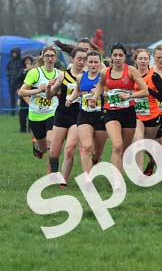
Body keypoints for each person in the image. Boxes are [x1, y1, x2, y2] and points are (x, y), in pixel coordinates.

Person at [96, 43, 148, 174]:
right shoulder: (105, 72)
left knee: (124, 149)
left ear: (125, 57)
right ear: (111, 56)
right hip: (111, 112)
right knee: (117, 146)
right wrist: (95, 97)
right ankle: (116, 181)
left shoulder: (131, 71)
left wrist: (129, 95)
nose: (117, 58)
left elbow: (145, 91)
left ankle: (120, 167)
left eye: (120, 55)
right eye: (115, 55)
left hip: (128, 112)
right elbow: (100, 86)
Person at [48, 48, 86, 186]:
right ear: (72, 59)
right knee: (53, 152)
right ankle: (53, 174)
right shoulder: (62, 75)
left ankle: (62, 182)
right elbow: (50, 95)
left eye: (84, 59)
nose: (82, 62)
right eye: (79, 59)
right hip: (62, 115)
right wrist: (48, 88)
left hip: (78, 117)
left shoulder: (87, 77)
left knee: (69, 149)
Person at [18, 46, 61, 167]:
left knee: (51, 143)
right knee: (43, 148)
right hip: (36, 115)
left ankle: (53, 174)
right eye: (47, 55)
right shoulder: (35, 73)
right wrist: (37, 90)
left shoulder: (59, 74)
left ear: (55, 58)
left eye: (52, 56)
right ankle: (38, 149)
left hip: (52, 112)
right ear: (43, 57)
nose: (50, 58)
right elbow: (21, 92)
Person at [69, 51, 107, 176]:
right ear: (86, 63)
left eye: (96, 62)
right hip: (84, 114)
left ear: (100, 63)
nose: (93, 64)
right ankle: (88, 179)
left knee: (97, 151)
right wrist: (70, 99)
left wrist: (99, 93)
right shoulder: (80, 77)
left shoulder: (104, 78)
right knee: (86, 146)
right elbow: (78, 91)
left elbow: (111, 95)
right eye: (90, 62)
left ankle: (95, 160)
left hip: (101, 115)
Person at [132, 48, 162, 176]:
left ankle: (153, 163)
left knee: (149, 146)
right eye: (140, 58)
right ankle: (139, 175)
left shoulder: (154, 76)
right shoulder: (131, 75)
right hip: (136, 115)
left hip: (152, 115)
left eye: (145, 58)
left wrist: (147, 90)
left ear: (149, 60)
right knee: (139, 141)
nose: (143, 61)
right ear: (136, 60)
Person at [14, 56, 33, 132]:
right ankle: (23, 128)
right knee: (22, 112)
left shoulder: (34, 70)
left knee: (32, 111)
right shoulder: (21, 70)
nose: (27, 62)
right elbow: (17, 79)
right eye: (26, 61)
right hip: (23, 93)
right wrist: (24, 71)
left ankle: (31, 128)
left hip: (32, 93)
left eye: (29, 60)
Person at [6, 47, 24, 118]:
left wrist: (18, 76)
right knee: (12, 98)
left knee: (20, 98)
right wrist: (9, 74)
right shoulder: (10, 61)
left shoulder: (21, 61)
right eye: (13, 53)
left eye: (15, 53)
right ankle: (12, 112)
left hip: (18, 83)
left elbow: (22, 72)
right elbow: (7, 69)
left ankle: (20, 112)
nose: (14, 54)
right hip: (11, 82)